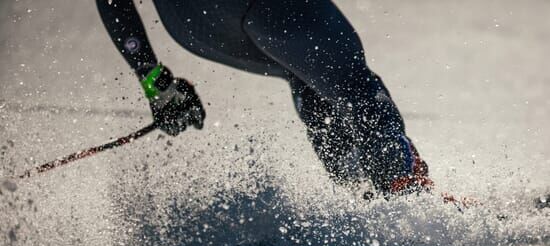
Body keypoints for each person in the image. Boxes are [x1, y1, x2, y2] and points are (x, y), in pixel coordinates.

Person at [96, 0, 432, 196]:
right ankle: (404, 202)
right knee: (356, 90)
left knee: (306, 74)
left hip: (193, 23)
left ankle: (362, 199)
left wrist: (152, 78)